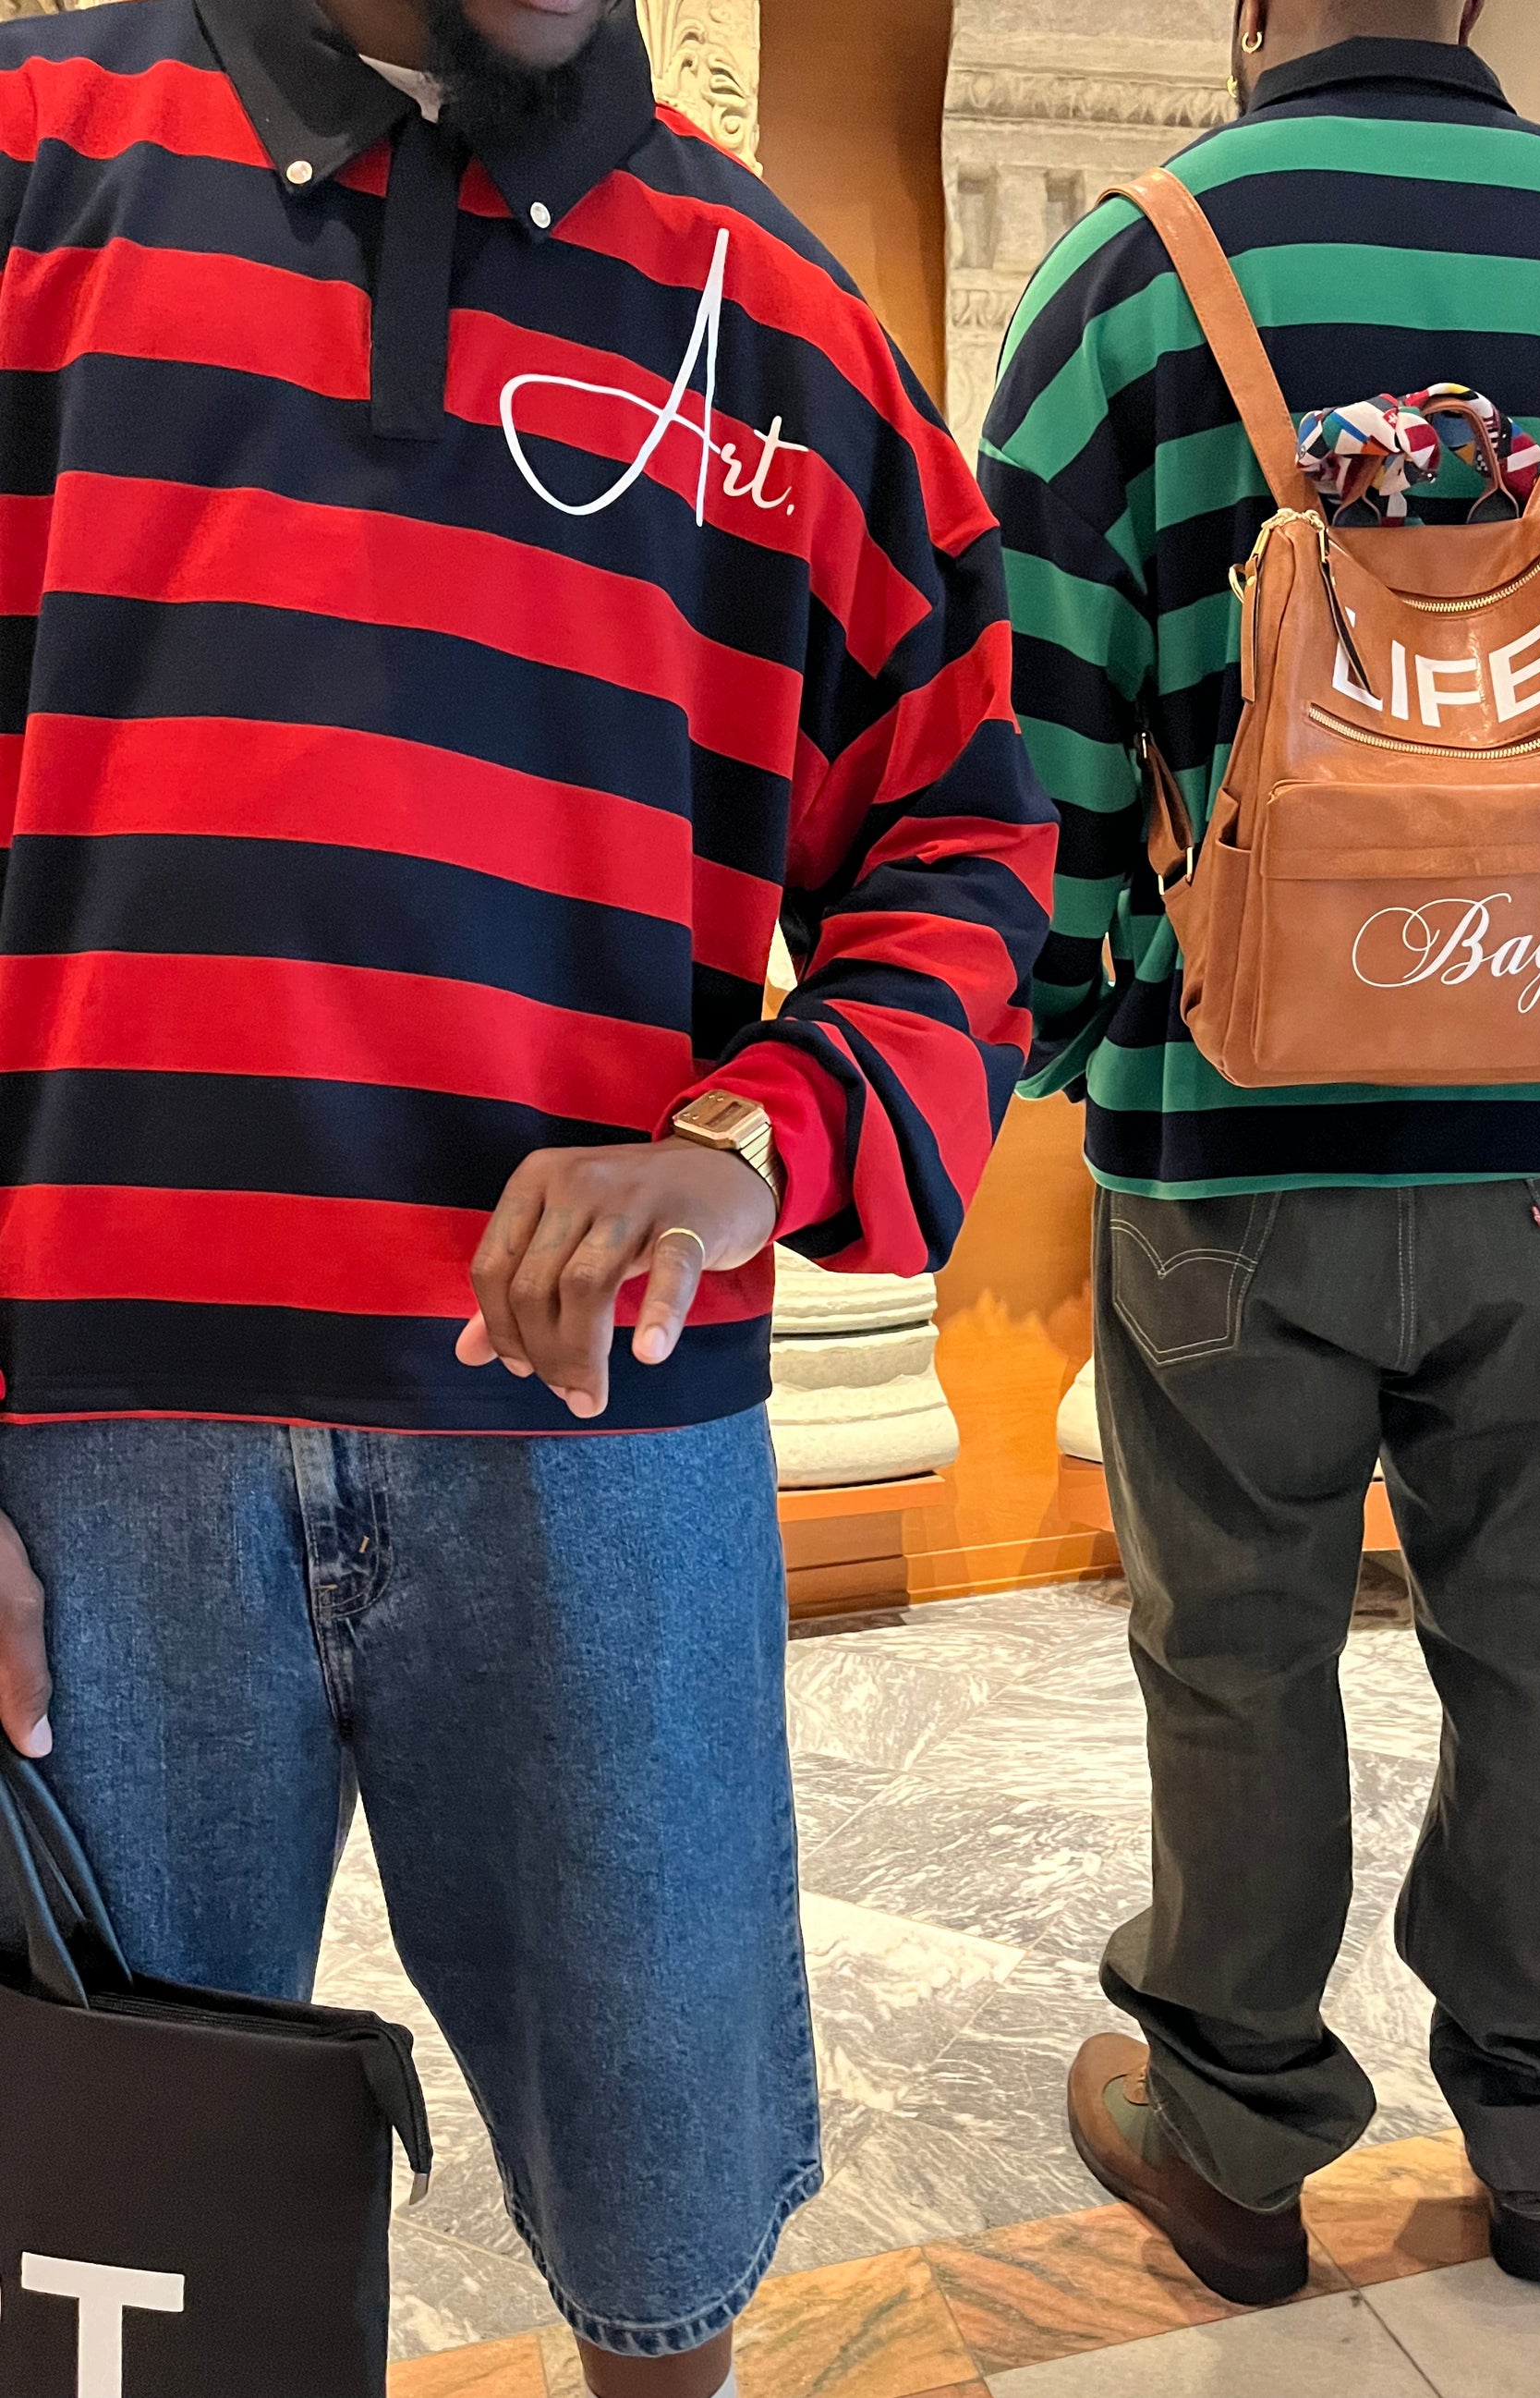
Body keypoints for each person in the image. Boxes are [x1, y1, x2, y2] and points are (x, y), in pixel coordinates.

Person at [0, 0, 1055, 2385]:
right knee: (94, 2236)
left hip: (602, 1444)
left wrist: (754, 1140)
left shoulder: (784, 322)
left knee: (664, 2215)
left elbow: (973, 838)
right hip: (77, 1441)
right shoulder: (35, 159)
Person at [983, 0, 1540, 2307]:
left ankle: (1235, 2144)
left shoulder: (1130, 281)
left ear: (1250, 7)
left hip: (1223, 1157)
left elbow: (1029, 741)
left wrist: (1072, 1035)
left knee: (1233, 1651)